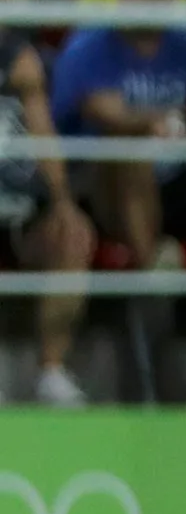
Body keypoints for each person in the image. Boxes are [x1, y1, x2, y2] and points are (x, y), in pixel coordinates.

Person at [51, 0, 186, 288]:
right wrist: (154, 121)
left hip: (180, 175)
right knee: (127, 143)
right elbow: (102, 110)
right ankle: (154, 282)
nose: (157, 3)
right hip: (102, 184)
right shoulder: (88, 45)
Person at [0, 23, 94, 404]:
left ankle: (51, 372)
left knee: (72, 235)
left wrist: (62, 202)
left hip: (22, 209)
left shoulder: (19, 61)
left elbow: (44, 135)